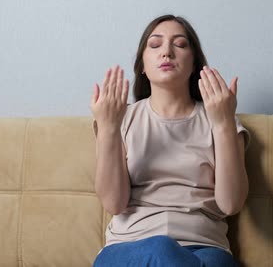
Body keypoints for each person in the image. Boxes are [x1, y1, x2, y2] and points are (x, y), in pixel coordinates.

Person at [90, 14, 250, 267]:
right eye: (155, 45)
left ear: (194, 62)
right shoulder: (121, 119)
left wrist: (223, 125)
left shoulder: (222, 120)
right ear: (142, 64)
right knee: (161, 247)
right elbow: (113, 203)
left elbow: (230, 204)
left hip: (206, 248)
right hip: (130, 248)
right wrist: (109, 128)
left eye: (180, 44)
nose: (166, 52)